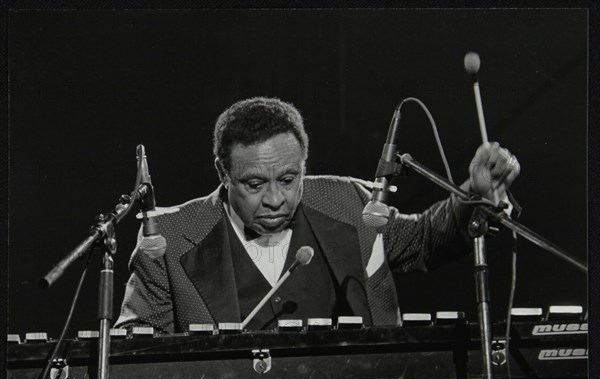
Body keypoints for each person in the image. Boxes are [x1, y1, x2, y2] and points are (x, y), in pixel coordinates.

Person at [115, 97, 520, 333]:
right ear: (224, 174)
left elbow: (425, 239)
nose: (275, 198)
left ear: (304, 165)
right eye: (255, 185)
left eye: (289, 179)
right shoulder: (167, 236)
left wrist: (473, 195)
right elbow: (137, 348)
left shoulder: (347, 201)